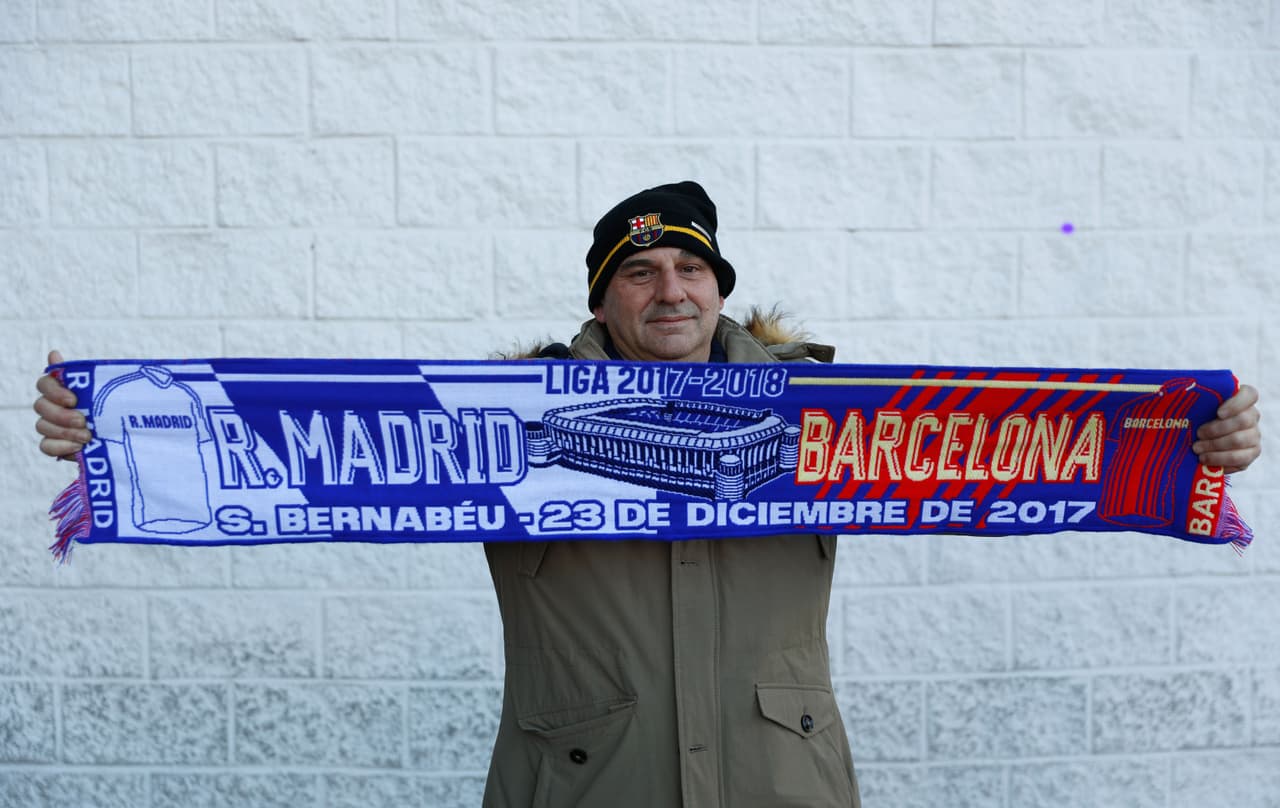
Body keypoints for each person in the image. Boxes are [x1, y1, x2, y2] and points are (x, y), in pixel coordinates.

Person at [33, 181, 1263, 808]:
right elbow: (280, 447)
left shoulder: (840, 415)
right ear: (601, 296)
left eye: (689, 267)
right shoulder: (495, 425)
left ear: (720, 287)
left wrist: (1197, 443)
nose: (667, 289)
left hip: (778, 782)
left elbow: (1055, 444)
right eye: (638, 271)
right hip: (585, 783)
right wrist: (109, 438)